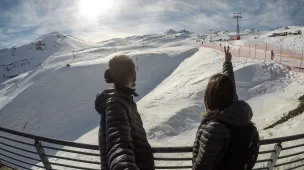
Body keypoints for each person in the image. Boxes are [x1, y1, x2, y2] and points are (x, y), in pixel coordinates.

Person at [192, 46, 257, 170]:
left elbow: (203, 166)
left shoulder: (215, 128)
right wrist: (227, 62)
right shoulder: (235, 112)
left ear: (211, 97)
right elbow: (229, 84)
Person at [95, 55, 154, 170]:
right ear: (130, 75)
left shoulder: (121, 100)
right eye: (134, 72)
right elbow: (118, 144)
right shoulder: (115, 103)